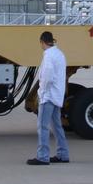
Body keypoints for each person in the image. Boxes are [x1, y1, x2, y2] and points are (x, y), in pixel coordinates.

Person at [28, 31, 70, 166]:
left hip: (48, 96)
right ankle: (63, 154)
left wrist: (42, 93)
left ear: (42, 42)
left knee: (42, 126)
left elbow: (47, 77)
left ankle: (42, 156)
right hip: (57, 95)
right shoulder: (59, 54)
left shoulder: (48, 56)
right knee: (57, 126)